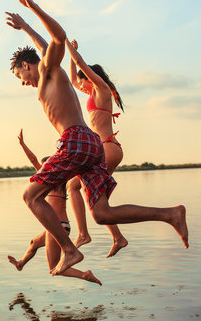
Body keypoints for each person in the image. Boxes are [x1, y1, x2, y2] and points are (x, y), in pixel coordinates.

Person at [6, 0, 188, 276]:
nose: (22, 82)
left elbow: (57, 38)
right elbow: (44, 45)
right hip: (91, 144)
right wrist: (26, 25)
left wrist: (33, 8)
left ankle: (70, 249)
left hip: (76, 140)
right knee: (102, 213)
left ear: (27, 67)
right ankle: (170, 214)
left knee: (30, 196)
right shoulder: (49, 72)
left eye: (19, 75)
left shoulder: (47, 72)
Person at [7, 130, 101, 285]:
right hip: (62, 226)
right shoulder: (63, 179)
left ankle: (84, 275)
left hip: (56, 226)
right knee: (33, 243)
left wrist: (22, 145)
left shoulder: (49, 179)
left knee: (53, 267)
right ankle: (20, 264)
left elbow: (33, 159)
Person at [65, 39, 129, 257]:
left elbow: (82, 67)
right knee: (96, 199)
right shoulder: (92, 93)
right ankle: (118, 238)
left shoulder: (101, 89)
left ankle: (83, 234)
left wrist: (68, 45)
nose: (80, 86)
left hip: (106, 148)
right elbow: (74, 80)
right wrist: (72, 57)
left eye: (84, 82)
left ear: (90, 78)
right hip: (105, 149)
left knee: (74, 186)